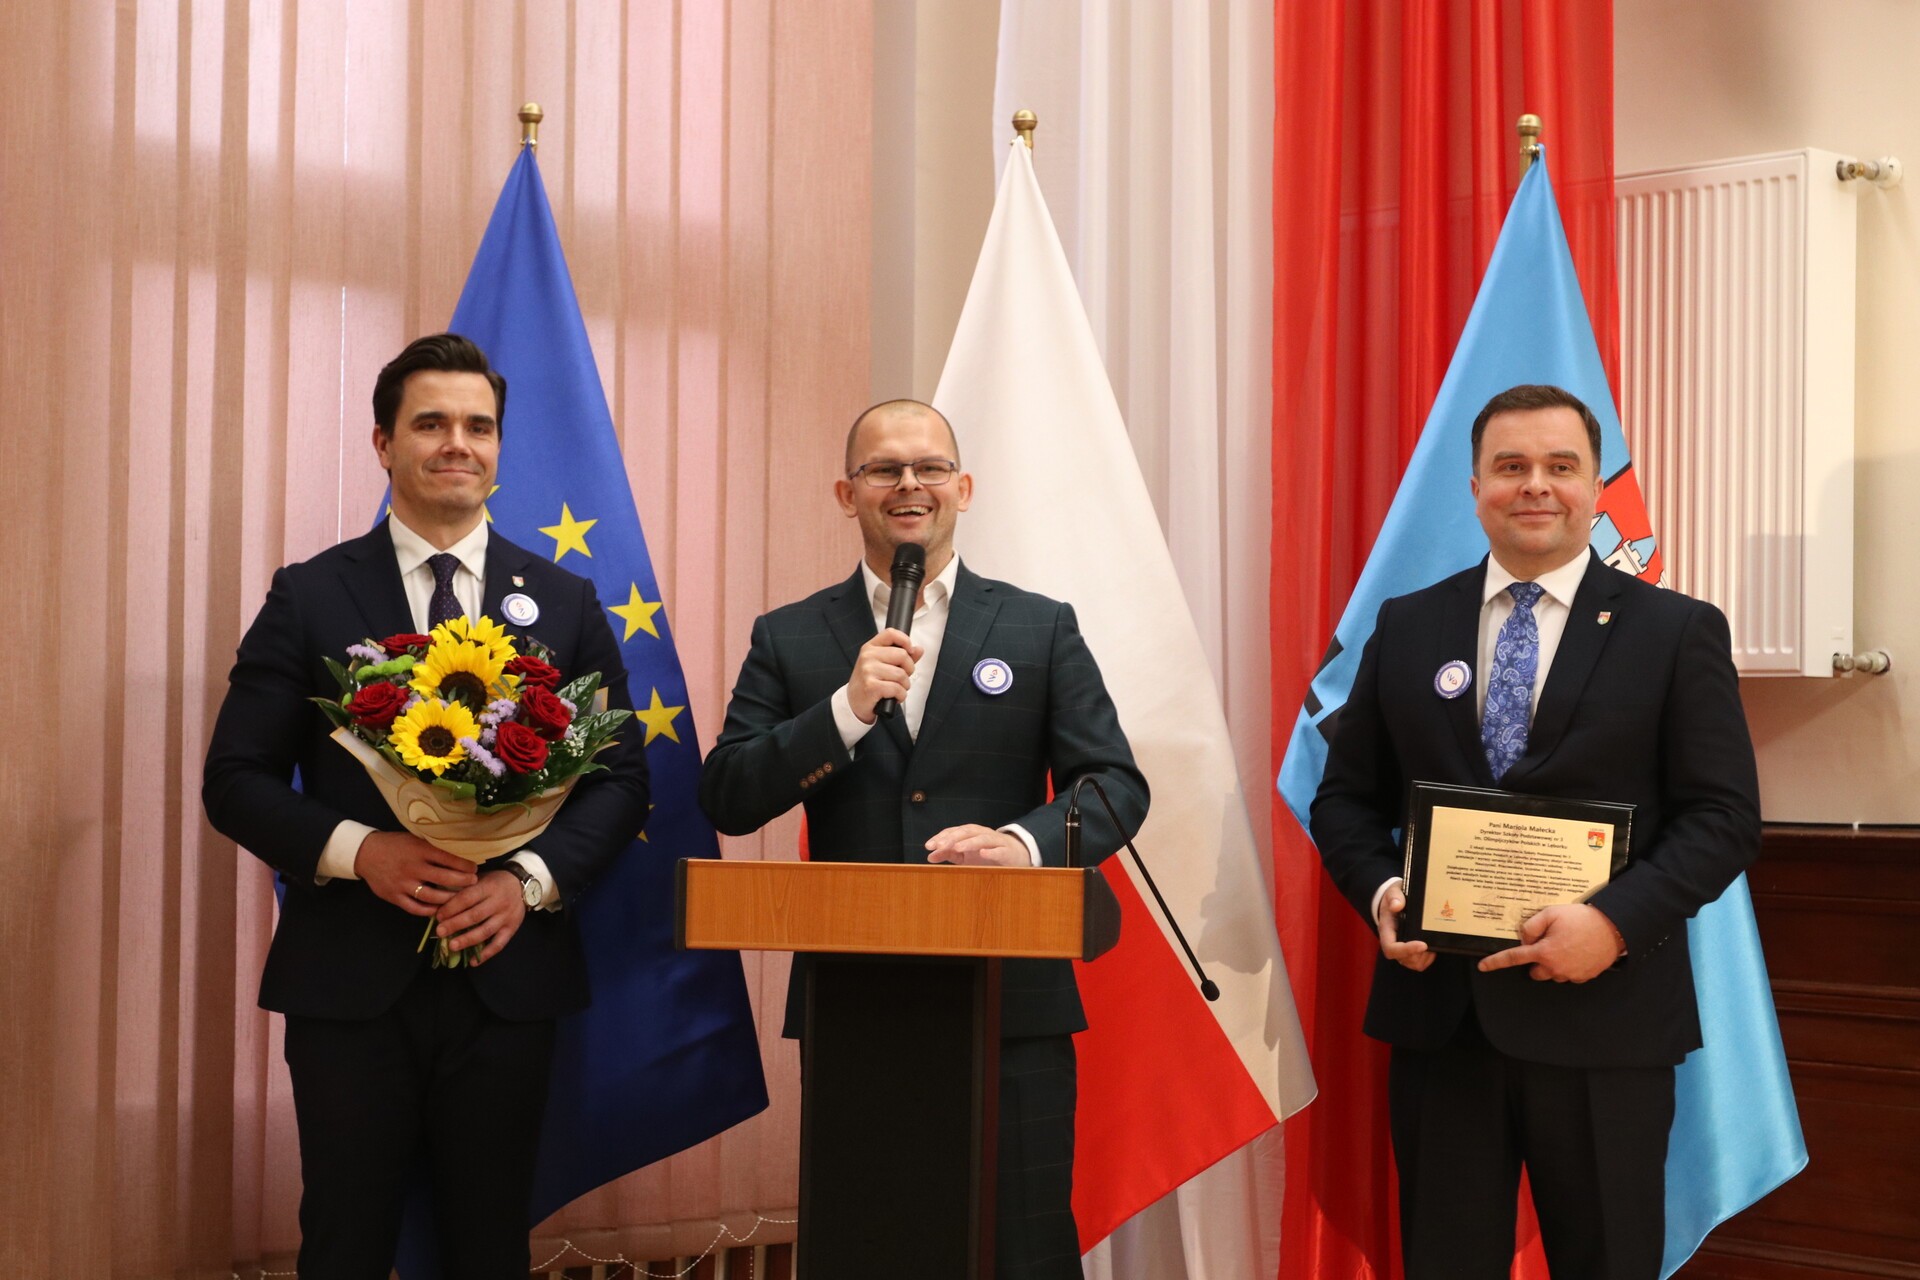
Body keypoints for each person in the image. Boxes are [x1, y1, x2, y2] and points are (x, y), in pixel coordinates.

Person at [202, 333, 649, 1279]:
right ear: (384, 443)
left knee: (488, 1246)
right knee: (346, 1243)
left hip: (508, 977)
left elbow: (619, 779)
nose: (458, 444)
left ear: (499, 447)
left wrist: (526, 882)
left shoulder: (564, 600)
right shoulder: (312, 595)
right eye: (432, 423)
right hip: (348, 982)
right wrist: (362, 851)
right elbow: (234, 779)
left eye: (479, 427)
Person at [1310, 383, 1762, 1280]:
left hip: (1607, 1020)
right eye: (1510, 466)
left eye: (1561, 466)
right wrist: (1387, 893)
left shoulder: (1675, 631)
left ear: (1596, 487)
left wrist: (1614, 924)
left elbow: (1723, 818)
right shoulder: (1408, 625)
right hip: (1443, 1019)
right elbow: (1345, 801)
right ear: (1475, 486)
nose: (1535, 486)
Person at [698, 399, 1148, 1279]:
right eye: (884, 469)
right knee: (870, 1250)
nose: (910, 484)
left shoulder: (1040, 626)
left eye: (930, 467)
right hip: (857, 1011)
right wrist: (842, 711)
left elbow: (1114, 786)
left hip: (1010, 1006)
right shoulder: (790, 636)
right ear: (847, 493)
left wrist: (1021, 845)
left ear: (962, 487)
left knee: (1021, 1253)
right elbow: (729, 793)